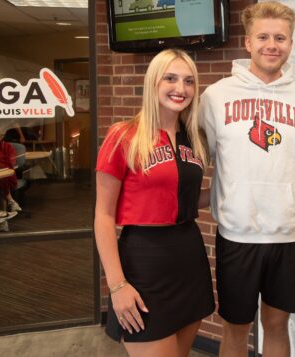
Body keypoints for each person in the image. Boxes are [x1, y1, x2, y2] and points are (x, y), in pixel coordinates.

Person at [198, 2, 295, 356]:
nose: (272, 45)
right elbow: (198, 159)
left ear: (290, 43)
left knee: (276, 325)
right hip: (237, 233)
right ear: (247, 42)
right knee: (235, 328)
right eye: (263, 37)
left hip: (287, 234)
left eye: (280, 37)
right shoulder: (215, 97)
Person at [94, 48, 214, 356]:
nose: (181, 89)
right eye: (171, 78)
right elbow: (104, 216)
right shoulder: (123, 136)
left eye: (189, 81)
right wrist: (117, 285)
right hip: (144, 261)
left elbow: (183, 201)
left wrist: (230, 190)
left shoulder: (193, 137)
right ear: (153, 83)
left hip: (189, 256)